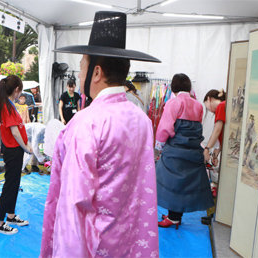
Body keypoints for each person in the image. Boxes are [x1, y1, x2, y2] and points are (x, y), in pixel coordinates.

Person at [41, 11, 160, 257]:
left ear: (96, 73)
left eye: (82, 66)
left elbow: (73, 206)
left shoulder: (86, 123)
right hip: (130, 239)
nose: (79, 74)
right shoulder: (142, 119)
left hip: (95, 246)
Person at [155, 73, 214, 229]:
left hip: (175, 150)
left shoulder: (173, 103)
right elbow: (197, 127)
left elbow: (165, 128)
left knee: (169, 184)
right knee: (184, 185)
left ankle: (173, 218)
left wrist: (159, 146)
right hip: (193, 150)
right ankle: (175, 216)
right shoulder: (198, 105)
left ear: (173, 87)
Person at [0, 75, 32, 235]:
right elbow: (15, 132)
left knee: (14, 184)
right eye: (20, 91)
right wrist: (26, 147)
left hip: (15, 149)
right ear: (16, 90)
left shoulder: (9, 104)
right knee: (9, 185)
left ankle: (10, 215)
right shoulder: (7, 107)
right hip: (13, 150)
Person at [203, 89, 226, 165]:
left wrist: (207, 149)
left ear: (209, 99)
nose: (210, 111)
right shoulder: (225, 105)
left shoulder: (221, 106)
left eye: (208, 107)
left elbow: (217, 131)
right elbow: (221, 135)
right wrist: (215, 155)